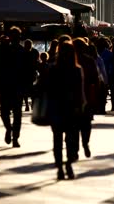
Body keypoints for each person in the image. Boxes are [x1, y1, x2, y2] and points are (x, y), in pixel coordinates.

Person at [42, 40, 86, 180]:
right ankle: (68, 164)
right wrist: (81, 107)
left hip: (57, 108)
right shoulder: (77, 69)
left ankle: (60, 166)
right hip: (72, 109)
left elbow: (47, 90)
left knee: (57, 140)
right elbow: (80, 92)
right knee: (71, 140)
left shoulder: (53, 69)